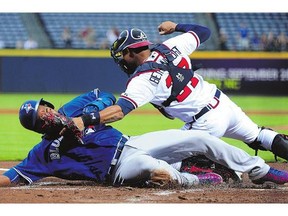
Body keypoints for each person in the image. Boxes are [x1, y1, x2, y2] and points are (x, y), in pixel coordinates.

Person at [71, 20, 288, 164]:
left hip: (204, 123)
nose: (121, 60)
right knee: (259, 136)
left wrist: (85, 120)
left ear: (130, 52)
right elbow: (204, 32)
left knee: (154, 161)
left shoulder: (142, 80)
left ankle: (223, 170)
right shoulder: (172, 44)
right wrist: (176, 26)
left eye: (122, 55)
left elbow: (119, 111)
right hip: (224, 104)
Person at [2, 89, 288, 187]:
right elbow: (12, 177)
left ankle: (260, 170)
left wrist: (88, 114)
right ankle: (196, 178)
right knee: (156, 170)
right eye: (42, 118)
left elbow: (106, 97)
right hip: (118, 172)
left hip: (131, 142)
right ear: (39, 128)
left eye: (46, 109)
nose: (48, 114)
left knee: (202, 139)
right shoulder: (43, 153)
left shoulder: (73, 109)